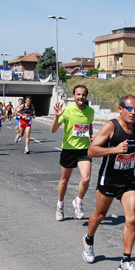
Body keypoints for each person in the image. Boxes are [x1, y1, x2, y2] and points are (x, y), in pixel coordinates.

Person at [82, 95, 135, 270]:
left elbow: (130, 148)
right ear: (120, 109)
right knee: (100, 214)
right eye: (129, 109)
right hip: (109, 179)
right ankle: (88, 239)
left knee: (132, 218)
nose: (133, 113)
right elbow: (92, 150)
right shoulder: (111, 126)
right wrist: (114, 150)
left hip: (128, 180)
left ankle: (126, 261)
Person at [50, 85, 94, 221]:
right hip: (68, 150)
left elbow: (89, 124)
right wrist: (57, 117)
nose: (81, 97)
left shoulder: (90, 112)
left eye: (83, 95)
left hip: (84, 150)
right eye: (78, 94)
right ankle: (60, 205)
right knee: (64, 180)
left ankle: (78, 202)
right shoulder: (67, 111)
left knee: (86, 179)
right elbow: (53, 130)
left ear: (86, 96)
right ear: (74, 96)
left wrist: (92, 136)